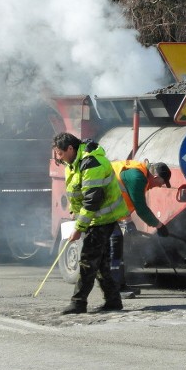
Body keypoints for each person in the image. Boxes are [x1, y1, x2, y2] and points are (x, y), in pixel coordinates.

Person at [52, 132, 129, 315]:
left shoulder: (91, 163)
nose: (59, 158)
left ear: (70, 149)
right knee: (101, 264)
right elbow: (76, 193)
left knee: (87, 261)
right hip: (94, 218)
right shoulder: (73, 162)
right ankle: (113, 301)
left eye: (60, 153)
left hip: (102, 218)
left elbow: (91, 201)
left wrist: (79, 228)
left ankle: (78, 303)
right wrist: (75, 215)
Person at [110, 160, 171, 297]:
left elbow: (124, 199)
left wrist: (127, 221)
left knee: (119, 248)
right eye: (161, 182)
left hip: (110, 212)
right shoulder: (137, 178)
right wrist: (159, 226)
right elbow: (141, 209)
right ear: (155, 177)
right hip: (104, 213)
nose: (159, 186)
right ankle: (115, 289)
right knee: (115, 250)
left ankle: (120, 286)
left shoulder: (137, 174)